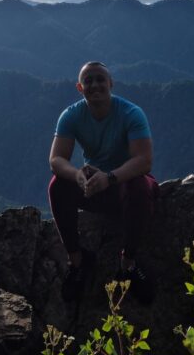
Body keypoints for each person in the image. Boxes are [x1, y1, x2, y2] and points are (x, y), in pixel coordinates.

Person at [48, 60, 158, 303]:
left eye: (100, 79)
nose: (95, 85)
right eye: (88, 81)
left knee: (139, 185)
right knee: (57, 186)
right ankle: (77, 260)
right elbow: (56, 159)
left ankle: (128, 264)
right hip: (95, 186)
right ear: (80, 87)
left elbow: (144, 161)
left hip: (125, 184)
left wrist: (110, 178)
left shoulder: (131, 113)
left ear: (111, 83)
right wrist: (77, 175)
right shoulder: (71, 115)